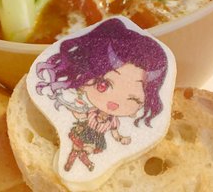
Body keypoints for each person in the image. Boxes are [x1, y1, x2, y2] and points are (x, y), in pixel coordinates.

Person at [34, 18, 169, 173]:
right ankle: (77, 164)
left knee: (80, 150)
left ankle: (76, 164)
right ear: (86, 77)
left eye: (133, 99)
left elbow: (115, 133)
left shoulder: (112, 122)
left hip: (95, 141)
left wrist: (121, 138)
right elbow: (80, 115)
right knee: (78, 149)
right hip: (82, 133)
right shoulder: (91, 112)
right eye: (104, 84)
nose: (115, 102)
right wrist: (67, 106)